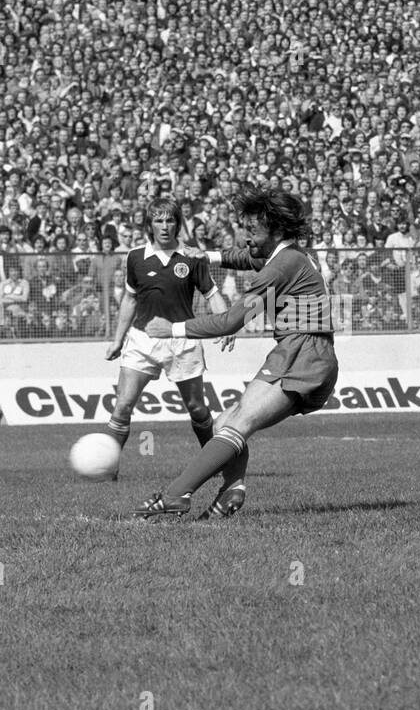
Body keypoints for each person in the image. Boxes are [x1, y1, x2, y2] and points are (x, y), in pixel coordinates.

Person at [134, 186, 338, 521]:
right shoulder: (292, 255)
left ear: (276, 231)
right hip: (303, 352)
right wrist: (208, 256)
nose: (245, 237)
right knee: (224, 423)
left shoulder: (281, 267)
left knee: (238, 424)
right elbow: (245, 258)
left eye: (253, 231)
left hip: (303, 353)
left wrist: (170, 328)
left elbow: (229, 321)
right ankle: (232, 488)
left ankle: (176, 495)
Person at [100, 199, 233, 475]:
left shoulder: (192, 257)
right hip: (141, 340)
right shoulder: (135, 256)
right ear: (149, 225)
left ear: (177, 224)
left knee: (197, 409)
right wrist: (117, 340)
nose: (164, 226)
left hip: (181, 340)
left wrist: (226, 325)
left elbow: (212, 294)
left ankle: (214, 464)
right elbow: (130, 299)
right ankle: (107, 469)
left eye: (170, 220)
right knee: (122, 406)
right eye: (158, 220)